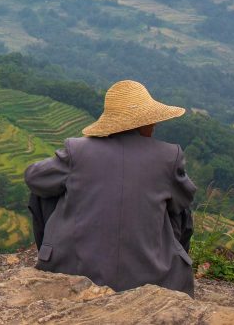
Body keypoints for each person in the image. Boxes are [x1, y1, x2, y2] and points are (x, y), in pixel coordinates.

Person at [24, 79, 196, 296]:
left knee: (46, 189)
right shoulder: (169, 156)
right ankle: (166, 260)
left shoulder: (77, 150)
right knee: (179, 205)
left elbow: (34, 178)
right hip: (154, 277)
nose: (154, 125)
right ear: (140, 124)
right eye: (151, 120)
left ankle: (52, 254)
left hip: (73, 270)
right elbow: (184, 201)